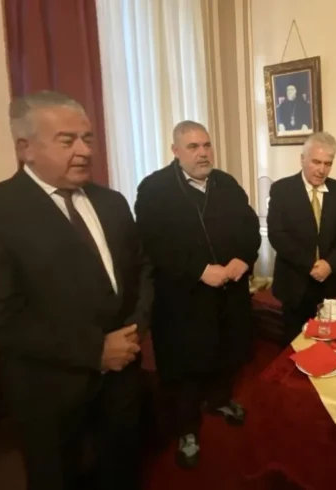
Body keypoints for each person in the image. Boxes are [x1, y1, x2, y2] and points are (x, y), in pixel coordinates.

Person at [0, 91, 153, 490]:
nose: (85, 151)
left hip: (122, 378)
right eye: (67, 140)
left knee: (123, 470)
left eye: (88, 138)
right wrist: (95, 350)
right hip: (49, 390)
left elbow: (142, 270)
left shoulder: (112, 202)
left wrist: (134, 332)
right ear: (25, 147)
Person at [134, 121, 260, 469]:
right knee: (186, 369)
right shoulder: (154, 189)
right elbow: (153, 244)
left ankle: (219, 400)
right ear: (175, 151)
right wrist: (199, 271)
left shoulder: (227, 183)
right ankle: (187, 429)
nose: (203, 153)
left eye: (206, 145)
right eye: (193, 147)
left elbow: (250, 227)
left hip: (230, 293)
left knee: (227, 354)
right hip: (183, 300)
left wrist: (244, 258)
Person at [267, 132, 336, 345]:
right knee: (295, 344)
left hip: (329, 282)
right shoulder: (281, 190)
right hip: (295, 282)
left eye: (327, 163)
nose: (321, 170)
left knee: (330, 343)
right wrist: (311, 265)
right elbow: (277, 235)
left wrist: (329, 265)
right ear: (302, 159)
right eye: (316, 162)